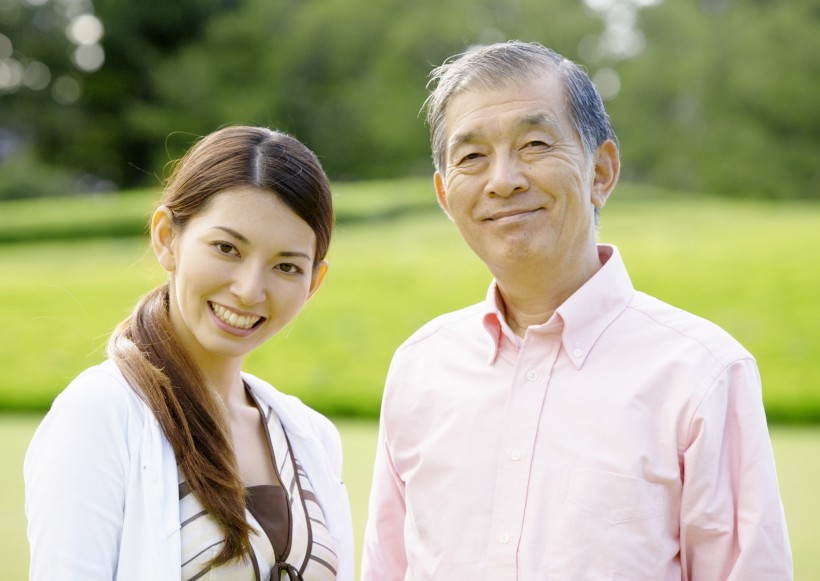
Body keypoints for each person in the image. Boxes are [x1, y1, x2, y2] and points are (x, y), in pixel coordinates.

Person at [361, 41, 792, 580]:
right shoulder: (419, 367)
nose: (503, 180)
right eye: (471, 156)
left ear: (601, 172)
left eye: (535, 143)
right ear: (447, 197)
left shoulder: (701, 373)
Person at [25, 126, 354, 581]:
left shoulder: (312, 437)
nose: (249, 290)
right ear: (166, 238)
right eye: (226, 248)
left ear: (314, 283)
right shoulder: (99, 415)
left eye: (286, 266)